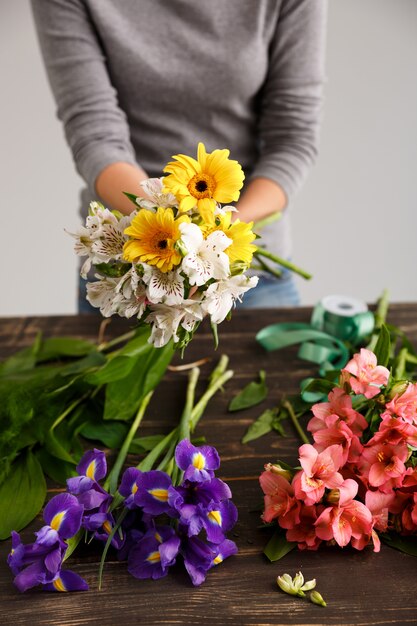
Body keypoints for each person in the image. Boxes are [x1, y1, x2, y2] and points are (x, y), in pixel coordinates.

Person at [31, 0, 327, 311]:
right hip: (131, 264)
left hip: (246, 271)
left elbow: (293, 136)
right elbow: (95, 134)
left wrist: (217, 239)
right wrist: (163, 231)